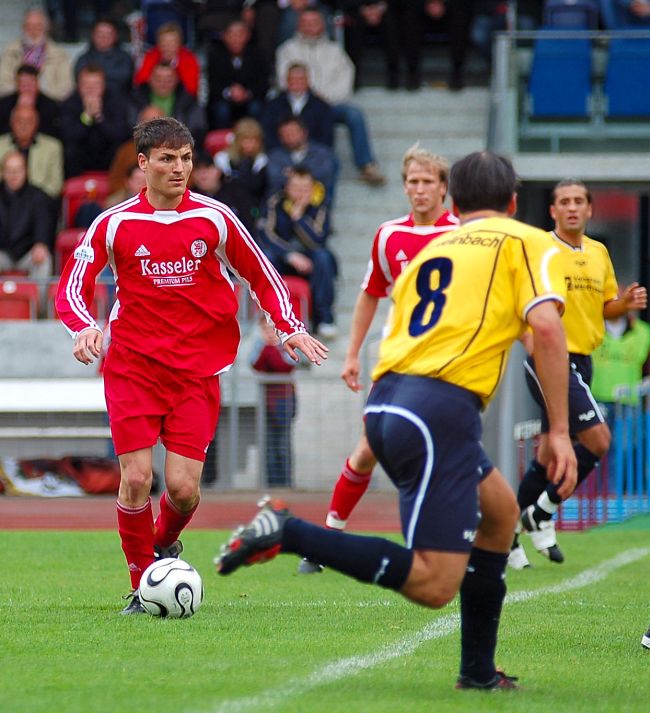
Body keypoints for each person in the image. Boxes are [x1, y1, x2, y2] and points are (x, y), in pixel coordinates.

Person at [215, 150, 577, 692]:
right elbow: (546, 329)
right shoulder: (525, 240)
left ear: (454, 200)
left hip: (389, 401)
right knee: (434, 583)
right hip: (437, 411)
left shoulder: (434, 249)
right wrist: (559, 431)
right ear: (512, 202)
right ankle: (291, 532)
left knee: (501, 514)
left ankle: (478, 672)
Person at [55, 116, 328, 614]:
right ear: (143, 164)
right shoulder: (114, 223)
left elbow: (261, 273)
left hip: (197, 372)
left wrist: (289, 326)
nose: (179, 168)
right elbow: (73, 284)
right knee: (136, 479)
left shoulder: (215, 217)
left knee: (183, 491)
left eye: (185, 158)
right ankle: (142, 585)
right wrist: (84, 326)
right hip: (133, 367)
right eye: (167, 159)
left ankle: (162, 546)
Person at [297, 144, 459, 573]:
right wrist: (352, 354)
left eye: (427, 182)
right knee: (369, 447)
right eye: (413, 181)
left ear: (443, 187)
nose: (419, 189)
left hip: (448, 363)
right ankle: (329, 538)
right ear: (404, 187)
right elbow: (370, 293)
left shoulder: (463, 234)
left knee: (443, 452)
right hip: (397, 360)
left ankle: (467, 541)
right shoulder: (389, 235)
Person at [510, 179, 647, 569]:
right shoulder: (539, 248)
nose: (572, 207)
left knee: (548, 452)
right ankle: (542, 511)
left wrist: (624, 303)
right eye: (564, 202)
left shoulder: (599, 252)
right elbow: (516, 300)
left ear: (589, 209)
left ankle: (508, 533)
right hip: (552, 358)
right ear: (552, 210)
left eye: (578, 202)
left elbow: (605, 308)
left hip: (583, 359)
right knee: (599, 440)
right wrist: (529, 339)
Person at [275, 8, 386, 186]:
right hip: (299, 104)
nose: (310, 26)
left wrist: (324, 98)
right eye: (306, 23)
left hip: (331, 103)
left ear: (322, 25)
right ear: (299, 25)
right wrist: (310, 97)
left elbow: (346, 78)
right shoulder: (287, 50)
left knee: (354, 114)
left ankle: (366, 165)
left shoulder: (335, 50)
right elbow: (283, 79)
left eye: (314, 22)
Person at [258, 166, 337, 337]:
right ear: (287, 187)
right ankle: (270, 317)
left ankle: (324, 319)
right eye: (295, 187)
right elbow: (265, 236)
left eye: (305, 188)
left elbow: (318, 240)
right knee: (266, 257)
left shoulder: (320, 205)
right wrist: (289, 255)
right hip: (283, 257)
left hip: (310, 259)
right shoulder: (274, 202)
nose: (300, 192)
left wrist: (299, 218)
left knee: (323, 257)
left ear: (312, 188)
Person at [591, 310, 650, 491]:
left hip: (628, 402)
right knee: (595, 451)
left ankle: (612, 495)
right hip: (596, 401)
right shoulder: (592, 327)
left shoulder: (643, 332)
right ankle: (601, 497)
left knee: (623, 450)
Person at [250, 315, 297, 486]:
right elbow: (255, 364)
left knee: (282, 443)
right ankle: (271, 483)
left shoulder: (285, 346)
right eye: (265, 329)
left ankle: (285, 482)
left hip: (284, 401)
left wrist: (271, 348)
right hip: (267, 401)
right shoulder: (262, 346)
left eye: (271, 329)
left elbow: (284, 365)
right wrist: (267, 347)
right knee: (269, 444)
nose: (269, 333)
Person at [60, 65, 130, 178]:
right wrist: (87, 117)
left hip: (107, 153)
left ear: (103, 86)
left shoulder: (116, 102)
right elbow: (68, 136)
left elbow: (119, 135)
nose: (91, 90)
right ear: (78, 86)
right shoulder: (70, 103)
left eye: (96, 85)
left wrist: (99, 117)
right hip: (81, 156)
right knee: (70, 150)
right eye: (86, 85)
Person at [0, 150, 54, 281]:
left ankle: (40, 296)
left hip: (28, 254)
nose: (14, 175)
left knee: (44, 259)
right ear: (3, 173)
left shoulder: (38, 196)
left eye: (17, 170)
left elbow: (43, 225)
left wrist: (41, 243)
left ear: (26, 171)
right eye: (9, 171)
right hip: (2, 253)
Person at [0, 7, 73, 101]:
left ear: (46, 28)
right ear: (23, 28)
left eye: (38, 26)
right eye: (29, 26)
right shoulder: (10, 52)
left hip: (49, 103)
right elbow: (2, 83)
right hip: (16, 102)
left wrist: (38, 93)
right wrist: (24, 92)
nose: (33, 31)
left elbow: (65, 88)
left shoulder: (60, 55)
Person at [206, 19, 268, 130]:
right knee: (221, 110)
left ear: (247, 36)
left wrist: (246, 93)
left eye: (240, 34)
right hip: (224, 99)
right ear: (224, 36)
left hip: (251, 98)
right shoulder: (215, 55)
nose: (236, 39)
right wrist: (229, 92)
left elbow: (263, 83)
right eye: (231, 35)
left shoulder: (258, 55)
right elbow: (213, 84)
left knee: (257, 108)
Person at [129, 63, 207, 147]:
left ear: (177, 80)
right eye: (158, 79)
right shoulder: (136, 99)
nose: (163, 83)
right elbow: (128, 126)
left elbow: (198, 129)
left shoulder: (189, 101)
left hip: (179, 146)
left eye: (168, 79)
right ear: (149, 79)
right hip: (141, 146)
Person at [261, 62, 334, 151]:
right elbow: (267, 133)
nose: (296, 82)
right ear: (287, 81)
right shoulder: (273, 105)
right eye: (293, 79)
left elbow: (326, 138)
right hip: (280, 154)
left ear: (308, 81)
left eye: (301, 79)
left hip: (313, 154)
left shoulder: (322, 107)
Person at [0, 105, 64, 201]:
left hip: (41, 201)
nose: (23, 126)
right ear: (12, 123)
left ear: (36, 124)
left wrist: (35, 198)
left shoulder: (52, 147)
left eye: (29, 121)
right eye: (19, 121)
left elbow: (55, 185)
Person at [266, 117, 338, 199]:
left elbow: (324, 175)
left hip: (316, 202)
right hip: (283, 202)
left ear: (304, 132)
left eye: (292, 133)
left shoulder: (323, 153)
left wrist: (292, 173)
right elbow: (274, 179)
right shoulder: (274, 156)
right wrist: (306, 175)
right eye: (284, 135)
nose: (289, 137)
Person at [191, 150, 257, 234]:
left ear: (218, 171)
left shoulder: (236, 192)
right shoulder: (190, 197)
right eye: (197, 169)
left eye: (207, 168)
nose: (202, 173)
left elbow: (248, 223)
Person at [214, 117, 269, 217]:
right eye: (246, 139)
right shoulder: (222, 159)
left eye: (254, 140)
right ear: (237, 140)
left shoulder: (262, 160)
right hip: (228, 208)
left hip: (254, 209)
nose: (250, 144)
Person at [134, 22, 201, 98]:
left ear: (179, 44)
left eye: (172, 43)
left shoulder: (189, 60)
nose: (168, 47)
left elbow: (191, 88)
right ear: (158, 44)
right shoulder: (151, 56)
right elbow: (140, 82)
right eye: (164, 43)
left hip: (180, 101)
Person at [74, 18, 134, 96]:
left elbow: (124, 78)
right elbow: (82, 80)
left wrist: (95, 77)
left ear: (116, 36)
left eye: (108, 33)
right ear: (93, 35)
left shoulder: (125, 58)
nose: (103, 37)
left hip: (120, 98)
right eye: (100, 33)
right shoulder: (84, 59)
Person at [0, 64, 61, 140]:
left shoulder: (50, 105)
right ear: (17, 85)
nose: (27, 88)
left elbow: (51, 134)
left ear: (37, 84)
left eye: (31, 83)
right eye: (23, 84)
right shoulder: (4, 104)